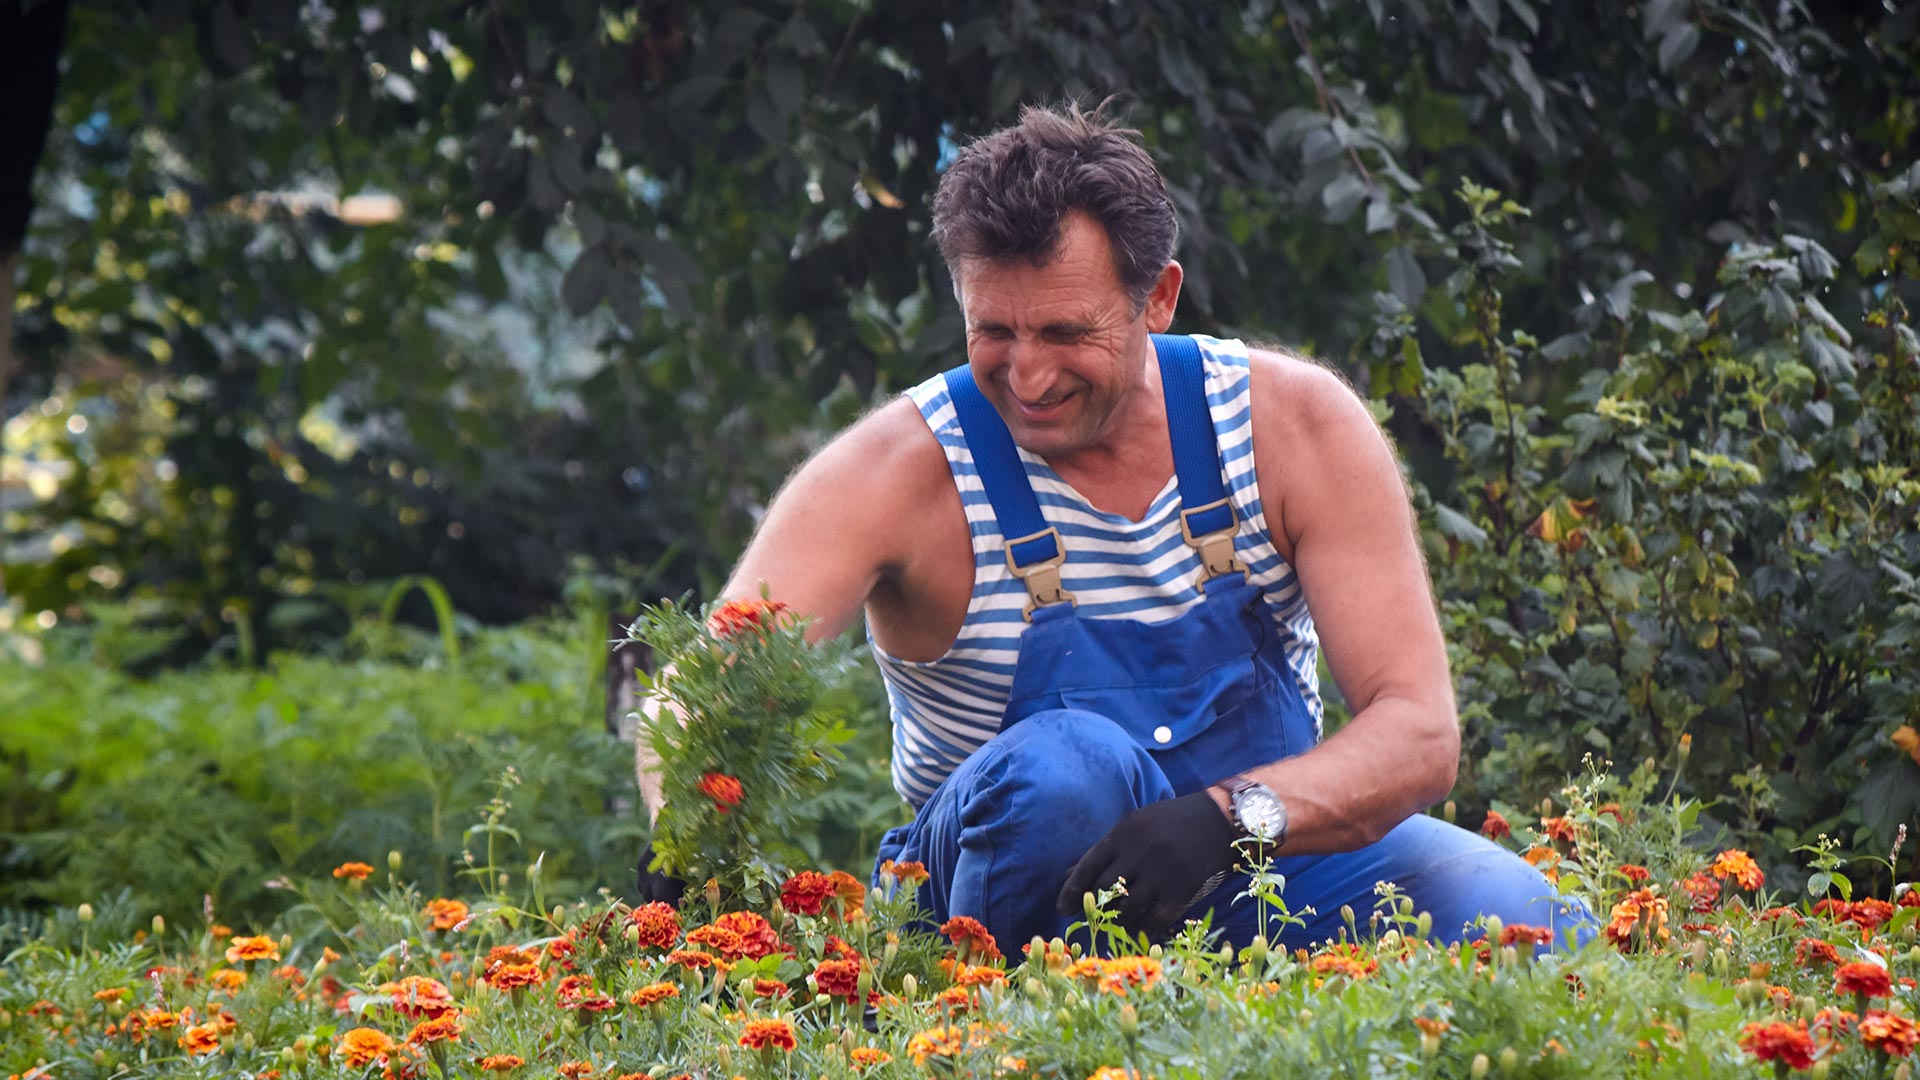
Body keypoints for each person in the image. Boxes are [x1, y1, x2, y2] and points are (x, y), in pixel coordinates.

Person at [635, 101, 1590, 951]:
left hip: (1252, 859)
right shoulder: (900, 470)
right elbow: (707, 684)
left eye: (1064, 334)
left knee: (1521, 914)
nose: (1028, 375)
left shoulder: (1290, 427)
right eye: (994, 332)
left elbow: (1419, 733)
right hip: (990, 906)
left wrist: (1231, 819)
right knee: (1068, 771)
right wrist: (686, 839)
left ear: (1158, 298)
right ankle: (1002, 1032)